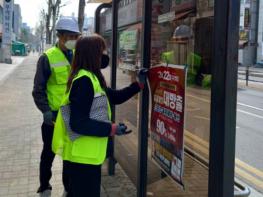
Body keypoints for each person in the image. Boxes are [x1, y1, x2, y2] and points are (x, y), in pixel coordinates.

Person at [52, 35, 147, 197]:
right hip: (81, 160)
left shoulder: (91, 77)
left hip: (86, 157)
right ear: (92, 54)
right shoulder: (84, 81)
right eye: (101, 51)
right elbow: (78, 123)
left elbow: (114, 96)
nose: (104, 56)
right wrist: (111, 128)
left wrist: (138, 84)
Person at [32, 17, 80, 197]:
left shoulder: (77, 56)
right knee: (49, 153)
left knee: (69, 154)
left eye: (75, 36)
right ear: (60, 36)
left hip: (71, 115)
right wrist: (45, 110)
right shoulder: (47, 58)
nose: (73, 40)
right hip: (52, 116)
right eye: (70, 36)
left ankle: (68, 187)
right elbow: (38, 89)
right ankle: (44, 185)